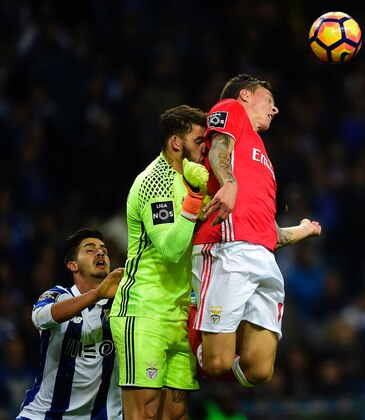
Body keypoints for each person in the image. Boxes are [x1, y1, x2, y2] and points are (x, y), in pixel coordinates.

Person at [189, 73, 322, 387]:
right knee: (218, 360)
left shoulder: (261, 155)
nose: (275, 109)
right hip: (226, 247)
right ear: (246, 95)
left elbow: (269, 232)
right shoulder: (231, 109)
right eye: (270, 100)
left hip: (264, 258)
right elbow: (219, 145)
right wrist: (229, 183)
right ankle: (184, 330)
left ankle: (209, 352)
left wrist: (303, 230)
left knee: (260, 370)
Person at [110, 105, 210, 419]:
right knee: (146, 414)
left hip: (180, 314)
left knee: (175, 415)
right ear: (176, 143)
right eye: (198, 140)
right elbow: (170, 250)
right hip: (144, 312)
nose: (204, 147)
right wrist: (195, 199)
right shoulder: (155, 182)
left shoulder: (196, 181)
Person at [17, 228, 125, 419]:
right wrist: (96, 294)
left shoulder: (124, 303)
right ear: (72, 265)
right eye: (90, 249)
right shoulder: (58, 295)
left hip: (104, 415)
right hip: (44, 414)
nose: (100, 252)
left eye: (104, 250)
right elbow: (40, 318)